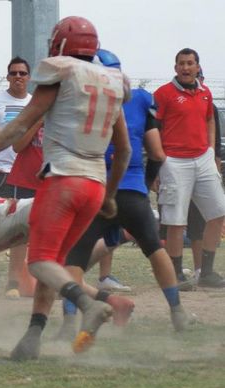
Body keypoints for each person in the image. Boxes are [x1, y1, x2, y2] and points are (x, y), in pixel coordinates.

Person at [0, 16, 132, 359]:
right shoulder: (113, 83)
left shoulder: (61, 73)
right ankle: (33, 336)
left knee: (38, 263)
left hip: (63, 179)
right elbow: (123, 150)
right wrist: (109, 194)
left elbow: (20, 125)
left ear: (60, 44)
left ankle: (88, 305)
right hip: (95, 184)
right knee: (56, 263)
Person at [58, 49, 190, 339]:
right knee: (154, 249)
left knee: (73, 259)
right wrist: (144, 183)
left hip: (95, 188)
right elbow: (157, 153)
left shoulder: (80, 99)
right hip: (132, 190)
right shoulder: (140, 98)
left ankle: (68, 322)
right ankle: (177, 311)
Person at [153, 48, 225, 288]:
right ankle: (175, 275)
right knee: (175, 221)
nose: (185, 67)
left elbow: (209, 119)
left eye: (190, 63)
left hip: (203, 158)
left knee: (218, 213)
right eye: (181, 63)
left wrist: (211, 150)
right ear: (175, 68)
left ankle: (206, 272)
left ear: (197, 67)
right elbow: (153, 128)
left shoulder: (206, 93)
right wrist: (158, 161)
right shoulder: (163, 94)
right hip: (174, 161)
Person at [0, 56, 43, 298]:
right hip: (2, 171)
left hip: (29, 174)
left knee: (23, 230)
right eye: (14, 73)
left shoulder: (37, 103)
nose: (18, 77)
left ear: (29, 77)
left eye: (22, 73)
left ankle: (16, 281)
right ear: (7, 76)